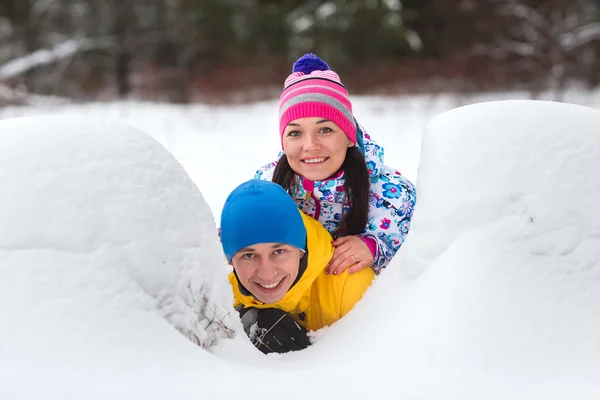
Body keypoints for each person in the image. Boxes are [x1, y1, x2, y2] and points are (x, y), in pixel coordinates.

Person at [255, 53, 416, 275]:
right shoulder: (265, 187)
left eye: (325, 130)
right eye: (295, 132)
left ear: (350, 136)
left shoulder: (392, 194)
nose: (310, 145)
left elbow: (427, 247)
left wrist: (375, 248)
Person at [220, 179, 375, 354]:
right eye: (249, 255)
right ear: (231, 260)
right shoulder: (217, 293)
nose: (267, 274)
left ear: (300, 249)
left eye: (278, 251)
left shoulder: (351, 285)